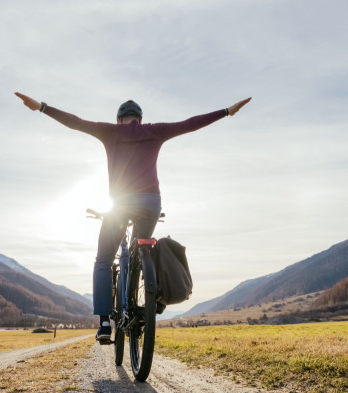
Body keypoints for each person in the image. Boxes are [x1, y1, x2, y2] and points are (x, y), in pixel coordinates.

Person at [14, 92, 251, 343]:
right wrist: (226, 111)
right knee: (143, 248)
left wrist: (42, 107)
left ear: (119, 120)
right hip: (150, 203)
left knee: (104, 259)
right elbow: (189, 123)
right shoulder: (155, 131)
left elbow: (75, 122)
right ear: (139, 118)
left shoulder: (109, 132)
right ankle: (153, 301)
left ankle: (105, 322)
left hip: (121, 204)